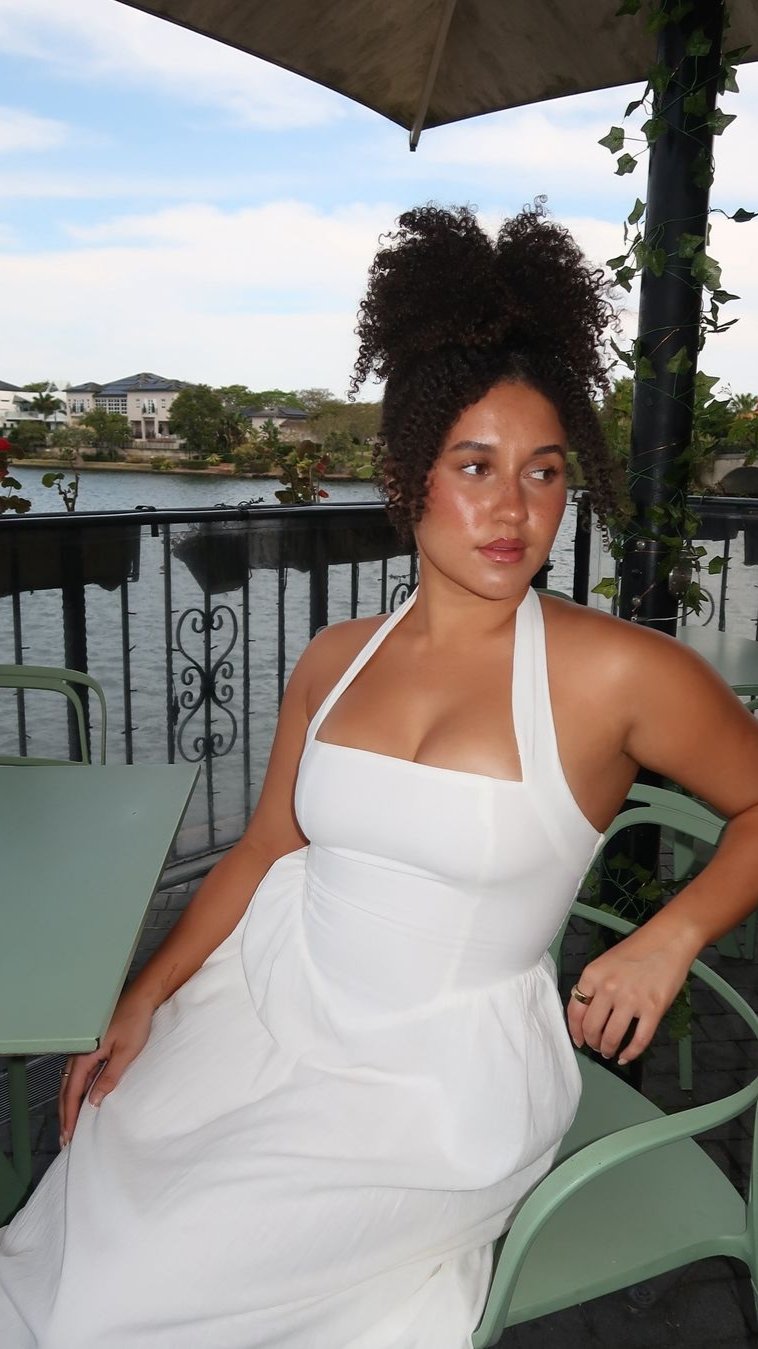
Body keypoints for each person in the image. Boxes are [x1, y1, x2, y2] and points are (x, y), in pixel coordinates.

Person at [2, 203, 758, 1349]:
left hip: (438, 1087)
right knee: (97, 1203)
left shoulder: (618, 674)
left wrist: (672, 934)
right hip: (268, 1003)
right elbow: (267, 848)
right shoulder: (332, 658)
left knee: (138, 1292)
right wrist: (145, 994)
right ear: (406, 475)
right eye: (474, 466)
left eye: (543, 471)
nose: (512, 509)